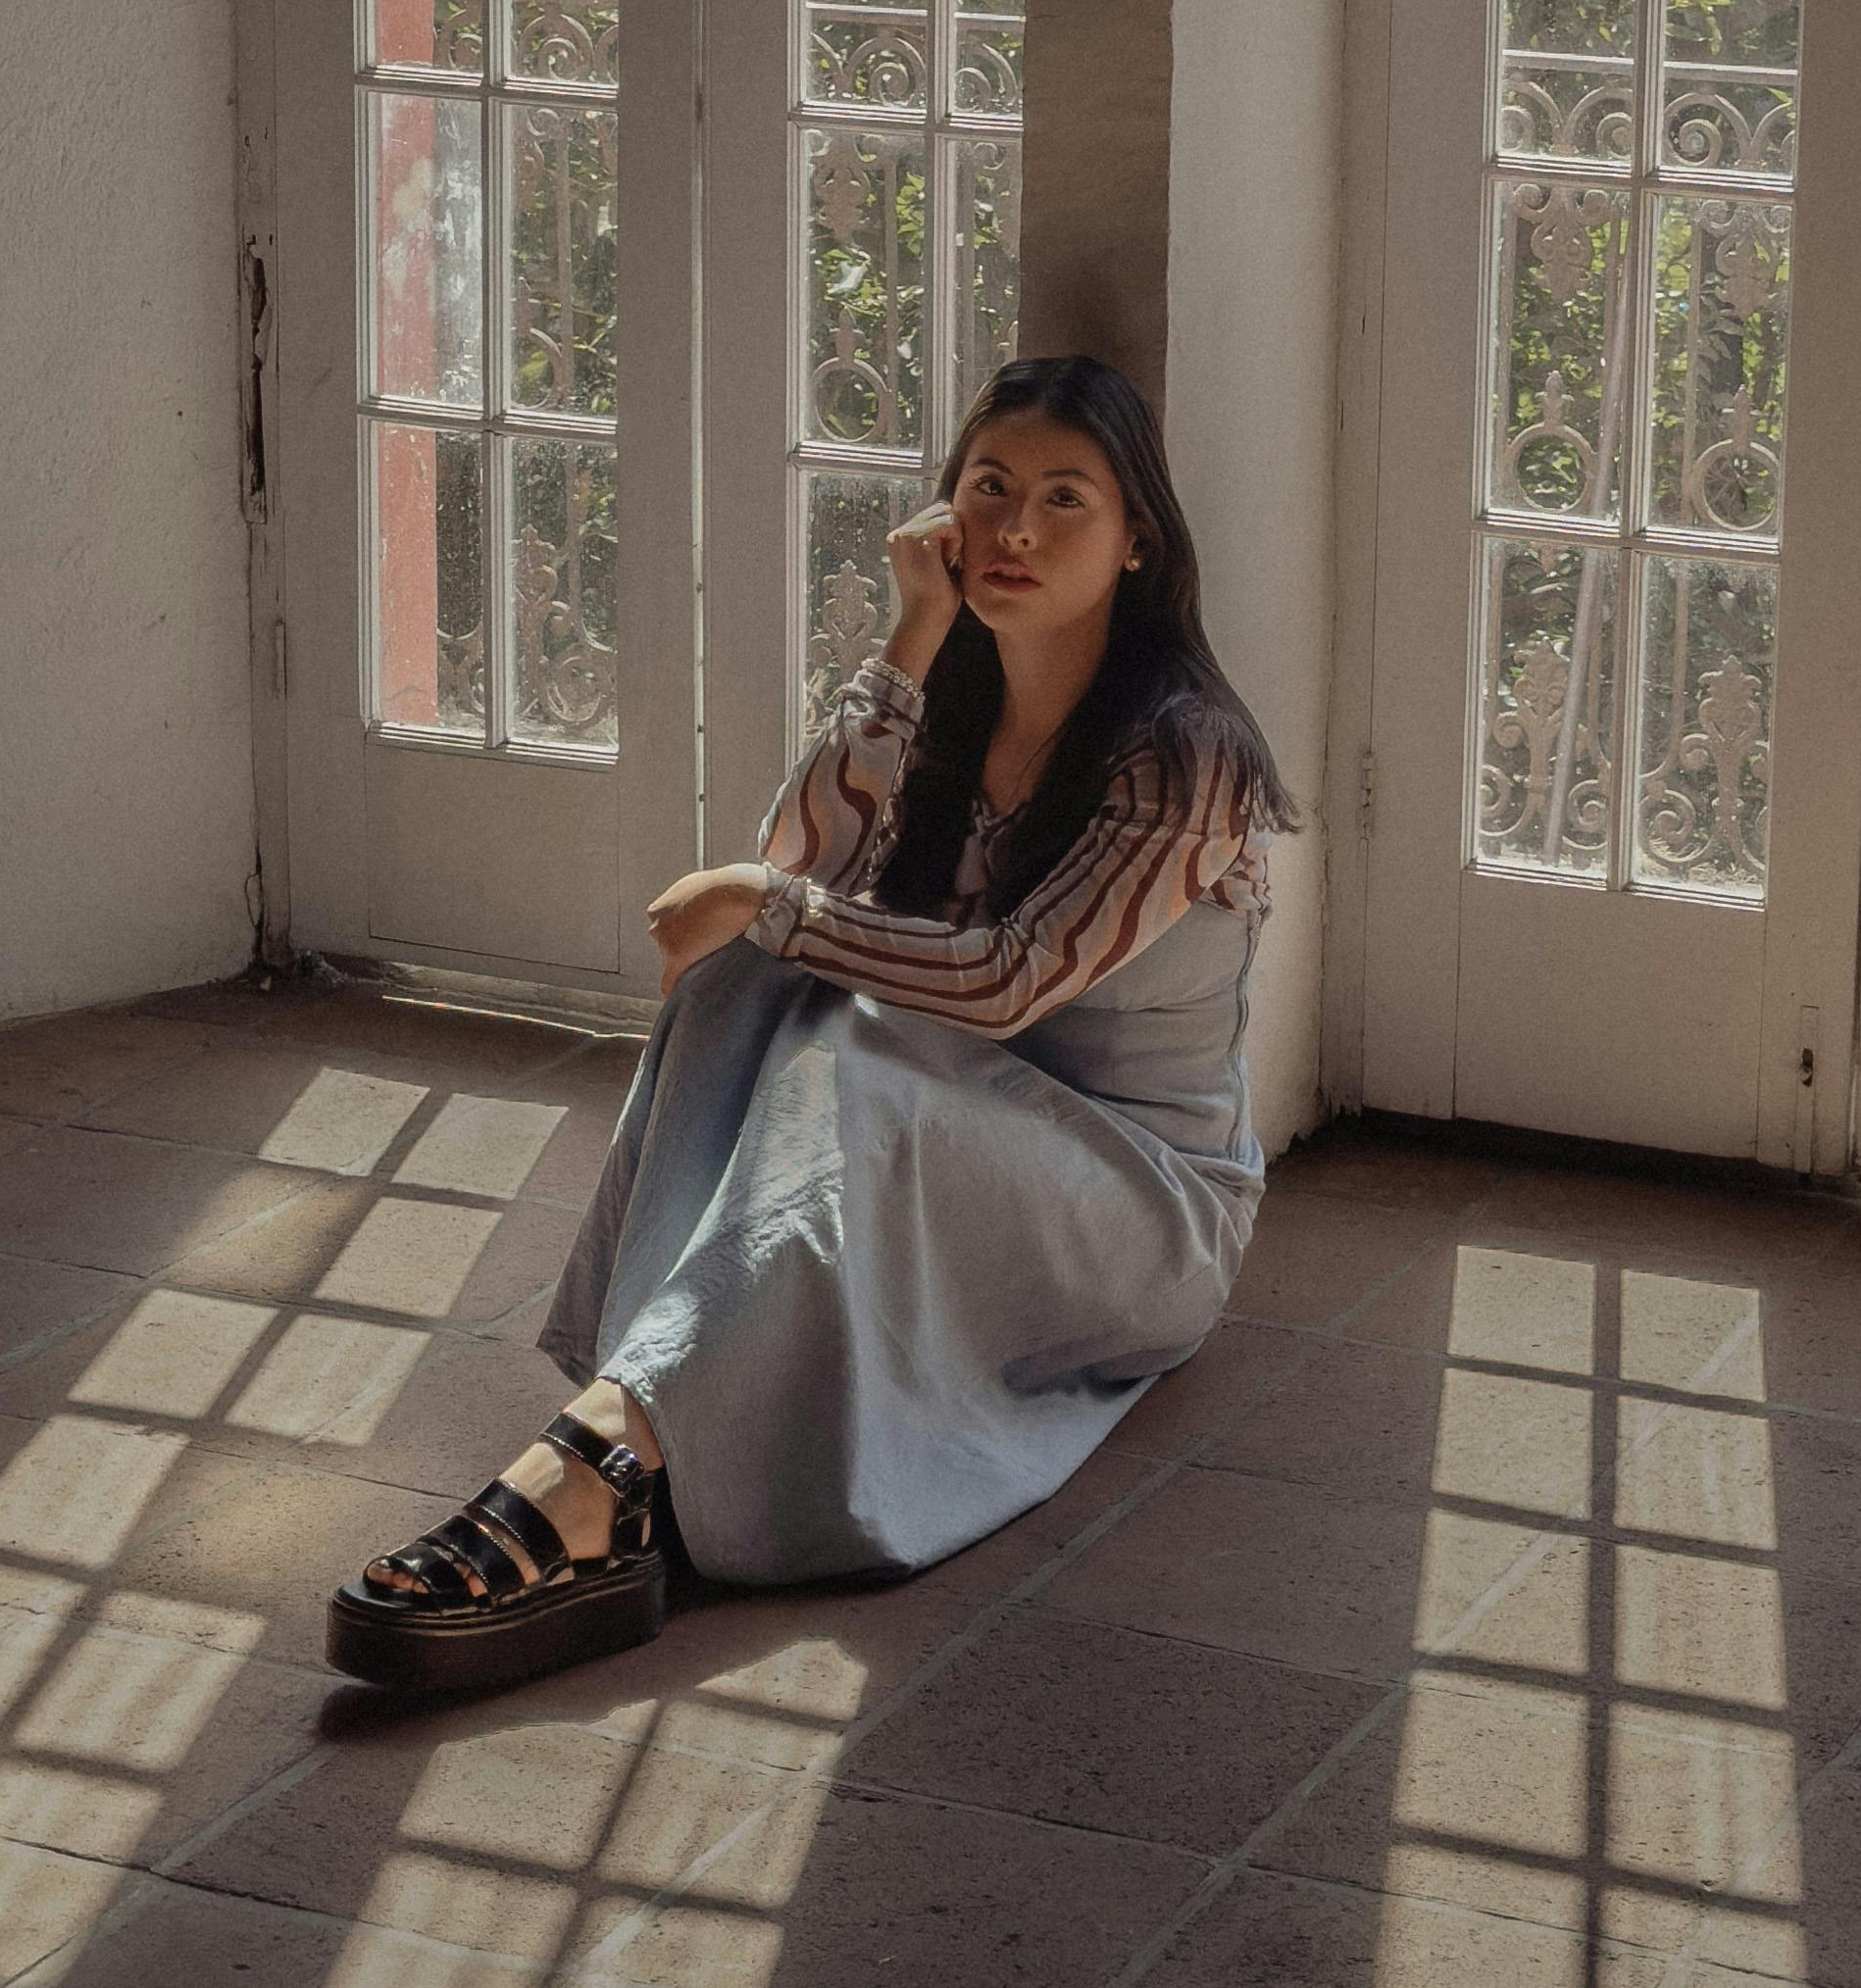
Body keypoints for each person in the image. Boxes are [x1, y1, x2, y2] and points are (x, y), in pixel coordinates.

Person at [325, 356, 1291, 1698]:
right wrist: (907, 640)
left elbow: (1010, 980)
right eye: (990, 487)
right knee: (752, 985)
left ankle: (604, 1462)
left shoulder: (1190, 753)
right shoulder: (953, 689)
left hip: (1137, 1210)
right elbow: (803, 863)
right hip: (949, 1145)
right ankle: (641, 1413)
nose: (1015, 528)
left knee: (838, 1026)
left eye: (1065, 500)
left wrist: (766, 904)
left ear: (1138, 542)